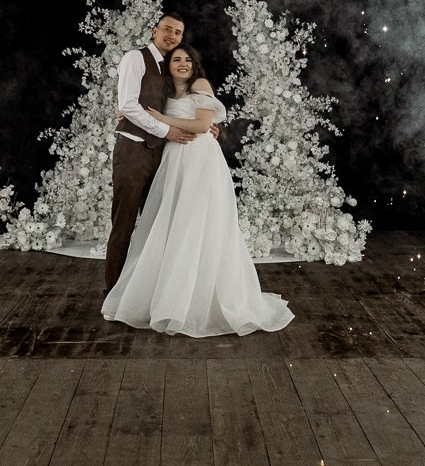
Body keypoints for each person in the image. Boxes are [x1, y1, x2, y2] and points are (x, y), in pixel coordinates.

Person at [102, 45, 293, 337]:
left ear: (194, 64)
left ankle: (198, 299)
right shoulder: (164, 90)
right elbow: (137, 107)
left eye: (187, 59)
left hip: (199, 160)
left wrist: (166, 121)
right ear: (168, 66)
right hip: (174, 159)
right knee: (173, 224)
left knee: (198, 223)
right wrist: (126, 112)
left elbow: (204, 124)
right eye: (176, 59)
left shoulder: (200, 85)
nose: (182, 64)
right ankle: (165, 294)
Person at [106, 12, 198, 288]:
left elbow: (182, 107)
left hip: (161, 156)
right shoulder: (135, 58)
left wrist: (207, 126)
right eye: (167, 29)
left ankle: (142, 291)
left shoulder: (172, 67)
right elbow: (129, 105)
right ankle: (112, 290)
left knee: (155, 226)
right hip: (133, 153)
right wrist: (166, 131)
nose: (172, 36)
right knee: (124, 224)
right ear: (153, 30)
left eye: (178, 33)